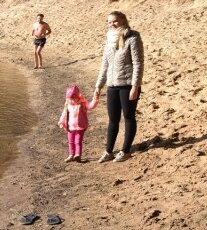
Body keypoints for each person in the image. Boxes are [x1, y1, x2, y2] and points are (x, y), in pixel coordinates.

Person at [94, 11, 144, 163]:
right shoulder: (109, 38)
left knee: (129, 117)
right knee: (113, 119)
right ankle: (108, 151)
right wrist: (99, 85)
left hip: (128, 85)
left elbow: (138, 63)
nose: (112, 24)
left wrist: (135, 85)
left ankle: (125, 151)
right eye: (109, 22)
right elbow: (105, 64)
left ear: (123, 20)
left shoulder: (133, 37)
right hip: (112, 85)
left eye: (114, 21)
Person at [58, 84, 99, 162]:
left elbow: (90, 106)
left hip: (80, 127)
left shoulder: (82, 103)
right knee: (70, 142)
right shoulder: (68, 104)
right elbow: (64, 113)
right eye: (70, 99)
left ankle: (78, 155)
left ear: (77, 97)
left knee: (78, 141)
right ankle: (71, 155)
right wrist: (61, 121)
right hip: (70, 127)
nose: (72, 101)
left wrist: (95, 99)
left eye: (73, 99)